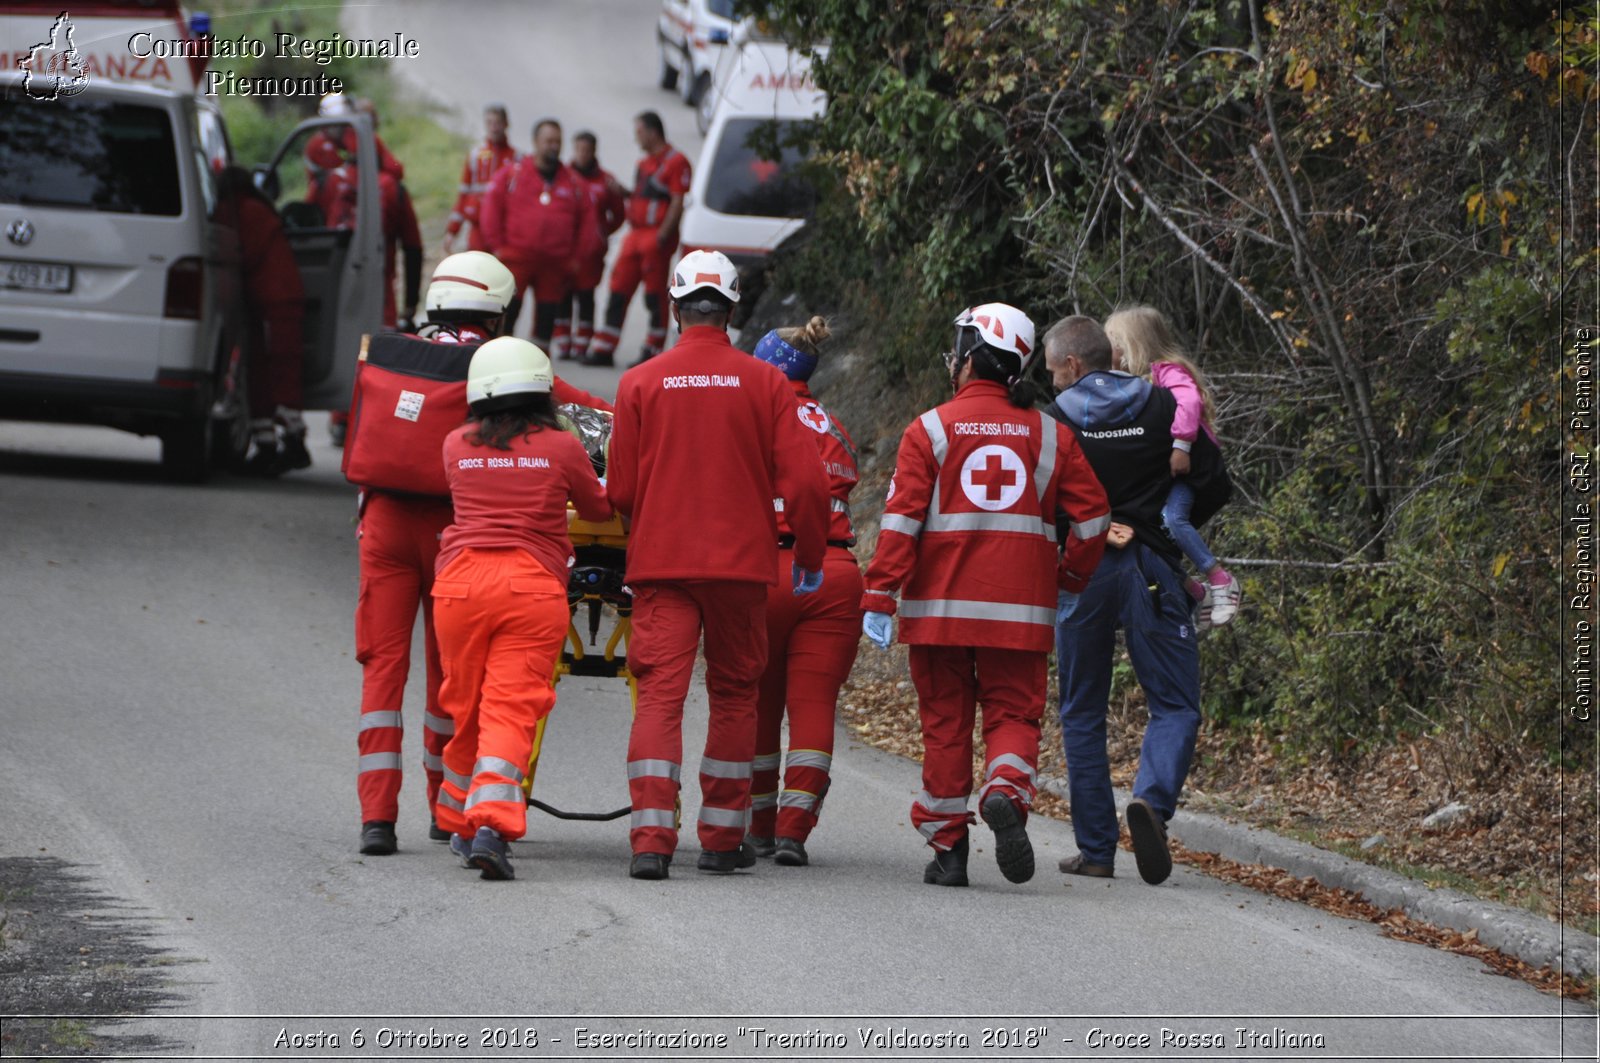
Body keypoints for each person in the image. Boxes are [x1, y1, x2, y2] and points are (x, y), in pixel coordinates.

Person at [859, 304, 1110, 888]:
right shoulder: (1052, 433)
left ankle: (949, 852)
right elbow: (1095, 520)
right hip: (1021, 612)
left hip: (940, 611)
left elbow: (900, 522)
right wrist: (1069, 578)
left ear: (972, 357)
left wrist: (879, 594)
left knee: (945, 724)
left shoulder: (930, 429)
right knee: (1014, 714)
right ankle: (1005, 789)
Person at [607, 250, 831, 880]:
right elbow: (809, 486)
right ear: (732, 311)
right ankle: (722, 840)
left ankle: (651, 840)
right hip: (740, 569)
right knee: (736, 697)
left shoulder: (639, 383)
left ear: (673, 308)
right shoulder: (764, 384)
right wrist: (809, 556)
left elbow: (619, 493)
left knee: (660, 699)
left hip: (662, 566)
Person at [1045, 314, 1218, 886]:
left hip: (1083, 569)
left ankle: (1096, 850)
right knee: (1174, 703)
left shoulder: (1055, 421)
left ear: (1073, 365)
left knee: (1082, 710)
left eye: (1051, 371)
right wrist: (1168, 526)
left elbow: (1039, 503)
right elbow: (1214, 479)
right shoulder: (1163, 405)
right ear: (1109, 356)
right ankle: (1151, 803)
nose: (1050, 382)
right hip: (1151, 566)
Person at [432, 337, 613, 880]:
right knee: (510, 708)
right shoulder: (561, 447)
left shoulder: (453, 443)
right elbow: (600, 508)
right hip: (532, 588)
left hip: (460, 587)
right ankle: (490, 823)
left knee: (465, 705)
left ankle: (459, 819)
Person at [745, 318, 862, 868]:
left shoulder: (752, 416)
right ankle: (795, 830)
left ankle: (758, 827)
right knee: (814, 705)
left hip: (765, 569)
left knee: (759, 701)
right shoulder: (832, 424)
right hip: (833, 574)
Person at [1104, 305, 1239, 627]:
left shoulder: (1167, 371)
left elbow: (1189, 402)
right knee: (1146, 536)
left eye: (1114, 341)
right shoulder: (1136, 382)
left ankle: (1220, 579)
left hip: (1192, 468)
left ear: (1132, 343)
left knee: (1171, 518)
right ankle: (1194, 591)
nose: (1110, 349)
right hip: (1168, 471)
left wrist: (1181, 444)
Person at [215, 166, 310, 475]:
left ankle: (289, 441)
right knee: (268, 370)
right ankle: (273, 441)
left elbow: (239, 254)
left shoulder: (240, 210)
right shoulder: (256, 208)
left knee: (275, 370)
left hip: (272, 302)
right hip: (274, 301)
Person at [479, 119, 600, 356]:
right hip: (515, 260)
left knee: (546, 320)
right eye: (548, 141)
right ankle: (500, 358)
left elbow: (588, 224)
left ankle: (536, 368)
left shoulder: (574, 183)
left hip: (555, 265)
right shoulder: (512, 175)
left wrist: (576, 259)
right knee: (507, 313)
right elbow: (491, 209)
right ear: (536, 142)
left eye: (557, 141)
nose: (553, 146)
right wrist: (498, 247)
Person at [581, 111, 690, 368]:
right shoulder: (643, 163)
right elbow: (644, 196)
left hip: (655, 235)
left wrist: (663, 235)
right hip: (636, 233)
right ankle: (604, 347)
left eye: (639, 132)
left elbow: (677, 201)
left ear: (653, 132)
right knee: (619, 286)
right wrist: (624, 193)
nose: (636, 138)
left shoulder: (676, 162)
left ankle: (652, 349)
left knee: (654, 295)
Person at [556, 130, 626, 362]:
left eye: (587, 150)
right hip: (564, 252)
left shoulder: (605, 181)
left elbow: (618, 214)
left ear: (594, 151)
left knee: (586, 298)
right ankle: (564, 345)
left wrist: (601, 233)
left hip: (591, 256)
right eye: (578, 149)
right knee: (563, 298)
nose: (582, 154)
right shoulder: (562, 176)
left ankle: (582, 345)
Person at [444, 104, 516, 254]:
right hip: (478, 231)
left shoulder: (517, 158)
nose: (494, 128)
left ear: (506, 124)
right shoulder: (475, 156)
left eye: (498, 123)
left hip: (505, 232)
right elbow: (464, 195)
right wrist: (452, 230)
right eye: (489, 123)